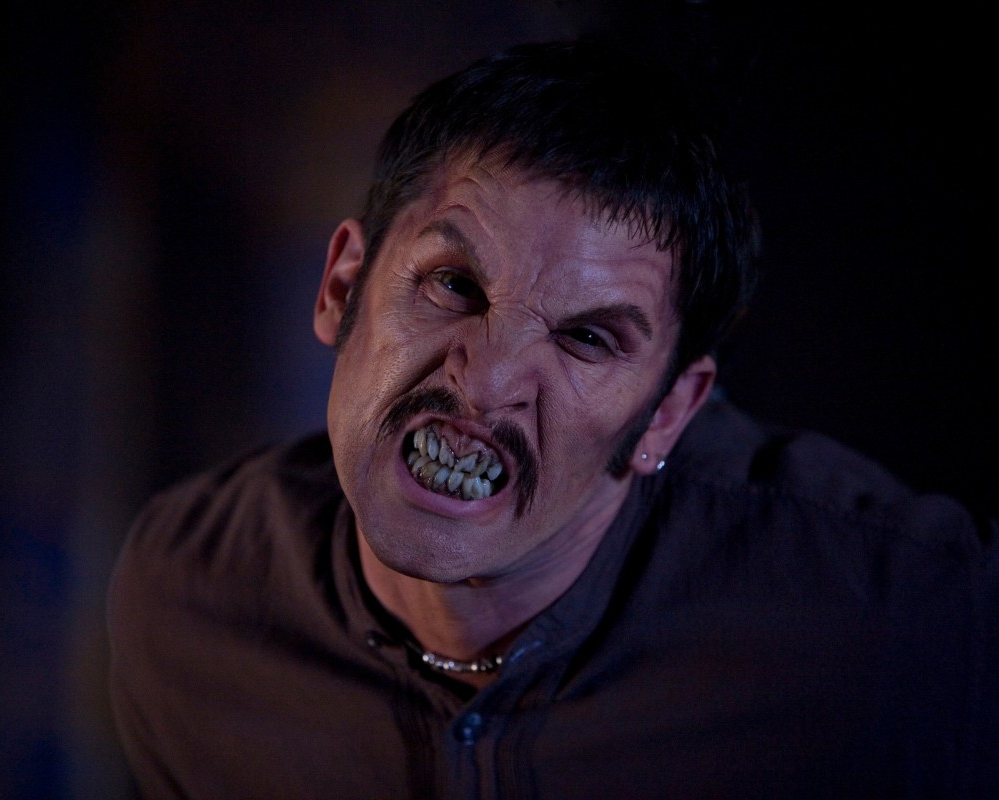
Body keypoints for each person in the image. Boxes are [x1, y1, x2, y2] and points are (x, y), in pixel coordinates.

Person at [107, 40, 997, 799]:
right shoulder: (189, 601)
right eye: (454, 285)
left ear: (668, 413)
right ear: (343, 287)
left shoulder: (909, 624)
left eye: (586, 339)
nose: (488, 382)